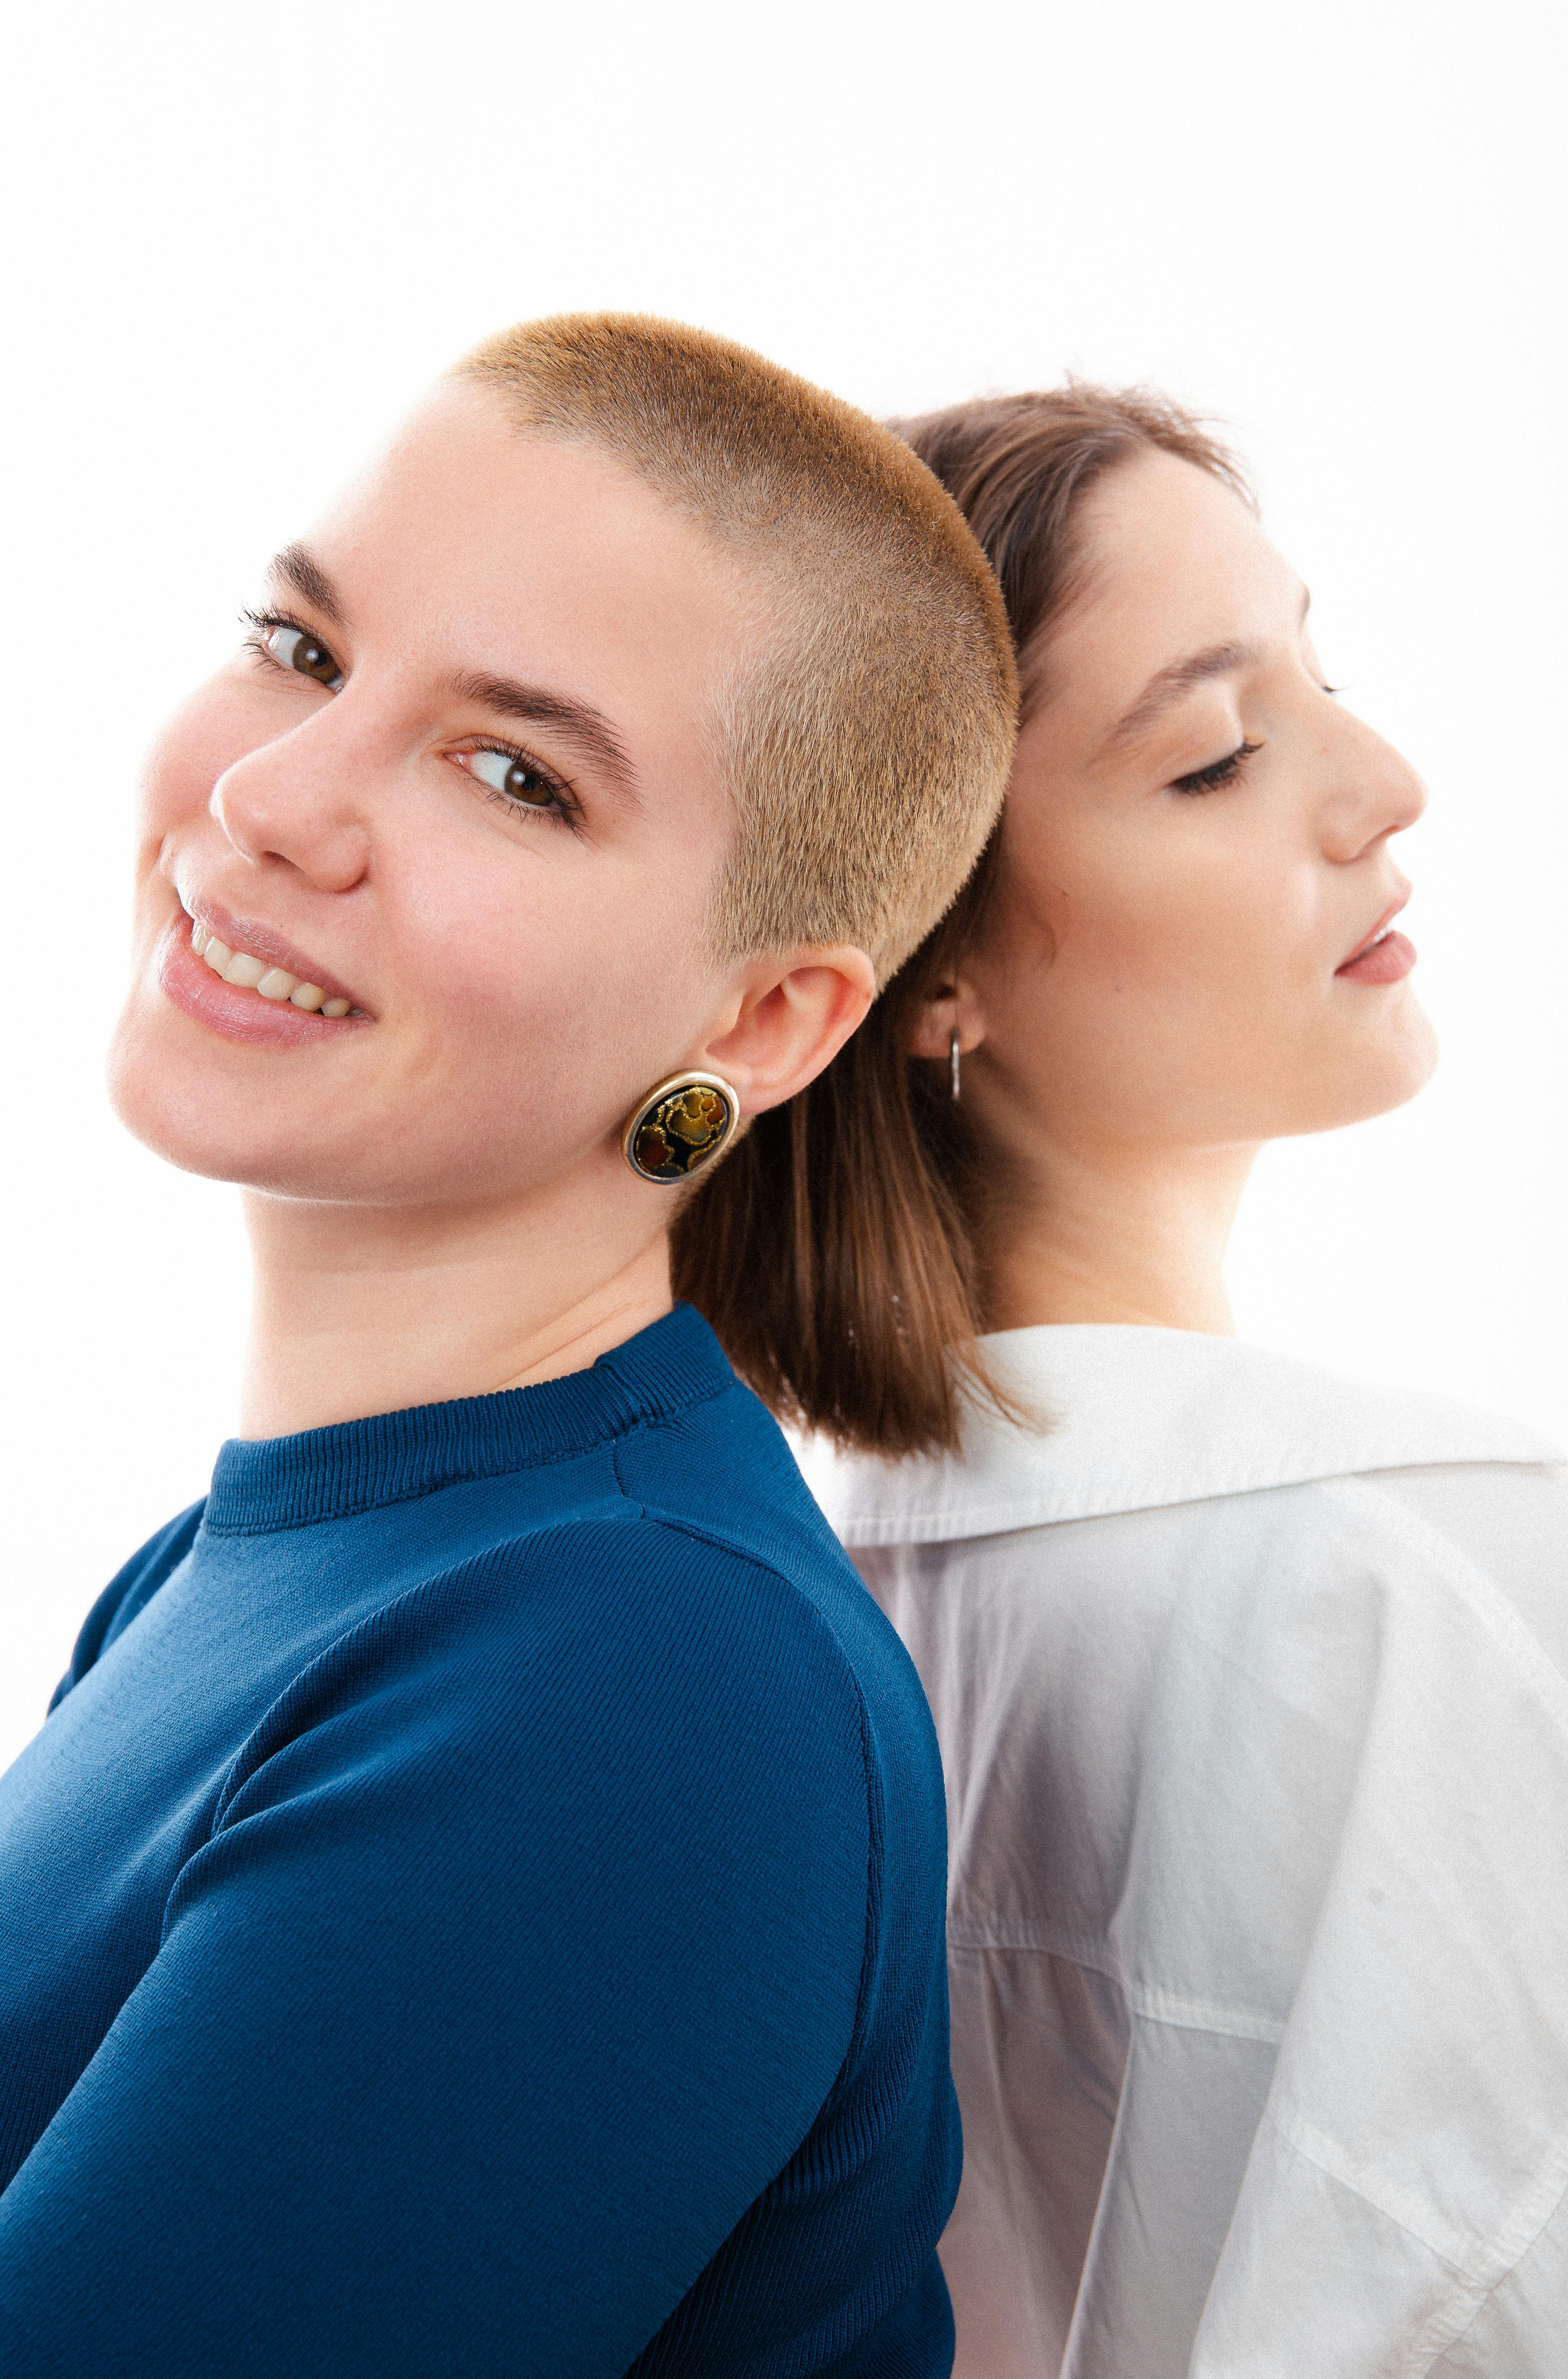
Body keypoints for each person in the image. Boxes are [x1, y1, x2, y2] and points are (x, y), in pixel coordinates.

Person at [0, 314, 1019, 2375]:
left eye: (512, 774)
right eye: (299, 647)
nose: (276, 800)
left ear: (759, 1026)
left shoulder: (637, 1682)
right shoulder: (248, 1565)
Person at [796, 387, 1568, 2376]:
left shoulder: (827, 1603)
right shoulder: (1416, 1576)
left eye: (1327, 681)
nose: (1384, 781)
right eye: (1216, 757)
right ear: (921, 958)